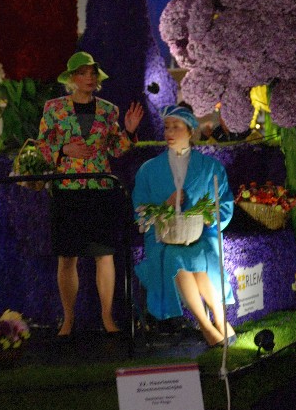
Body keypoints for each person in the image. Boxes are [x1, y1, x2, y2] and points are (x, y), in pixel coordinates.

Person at [36, 52, 143, 336]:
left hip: (99, 189)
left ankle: (107, 319)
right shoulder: (54, 109)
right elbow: (42, 149)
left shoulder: (109, 111)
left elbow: (116, 150)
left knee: (104, 255)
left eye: (93, 73)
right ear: (72, 78)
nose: (89, 78)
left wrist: (129, 133)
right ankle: (68, 319)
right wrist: (63, 150)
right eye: (83, 73)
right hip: (67, 190)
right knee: (67, 257)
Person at [134, 105, 236, 346]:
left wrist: (208, 218)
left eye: (176, 126)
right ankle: (205, 324)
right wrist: (166, 205)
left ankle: (220, 319)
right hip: (164, 238)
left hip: (202, 235)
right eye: (167, 127)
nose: (169, 132)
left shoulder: (211, 168)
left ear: (190, 131)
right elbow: (140, 211)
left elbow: (224, 205)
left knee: (203, 256)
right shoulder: (149, 170)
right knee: (175, 258)